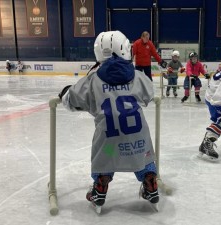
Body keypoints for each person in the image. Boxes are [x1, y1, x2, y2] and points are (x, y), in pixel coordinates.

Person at [58, 30, 159, 213]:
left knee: (106, 157)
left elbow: (70, 100)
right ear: (125, 49)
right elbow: (149, 94)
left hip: (109, 142)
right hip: (137, 139)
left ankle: (101, 186)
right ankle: (150, 181)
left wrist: (65, 92)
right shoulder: (137, 76)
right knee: (143, 156)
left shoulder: (93, 79)